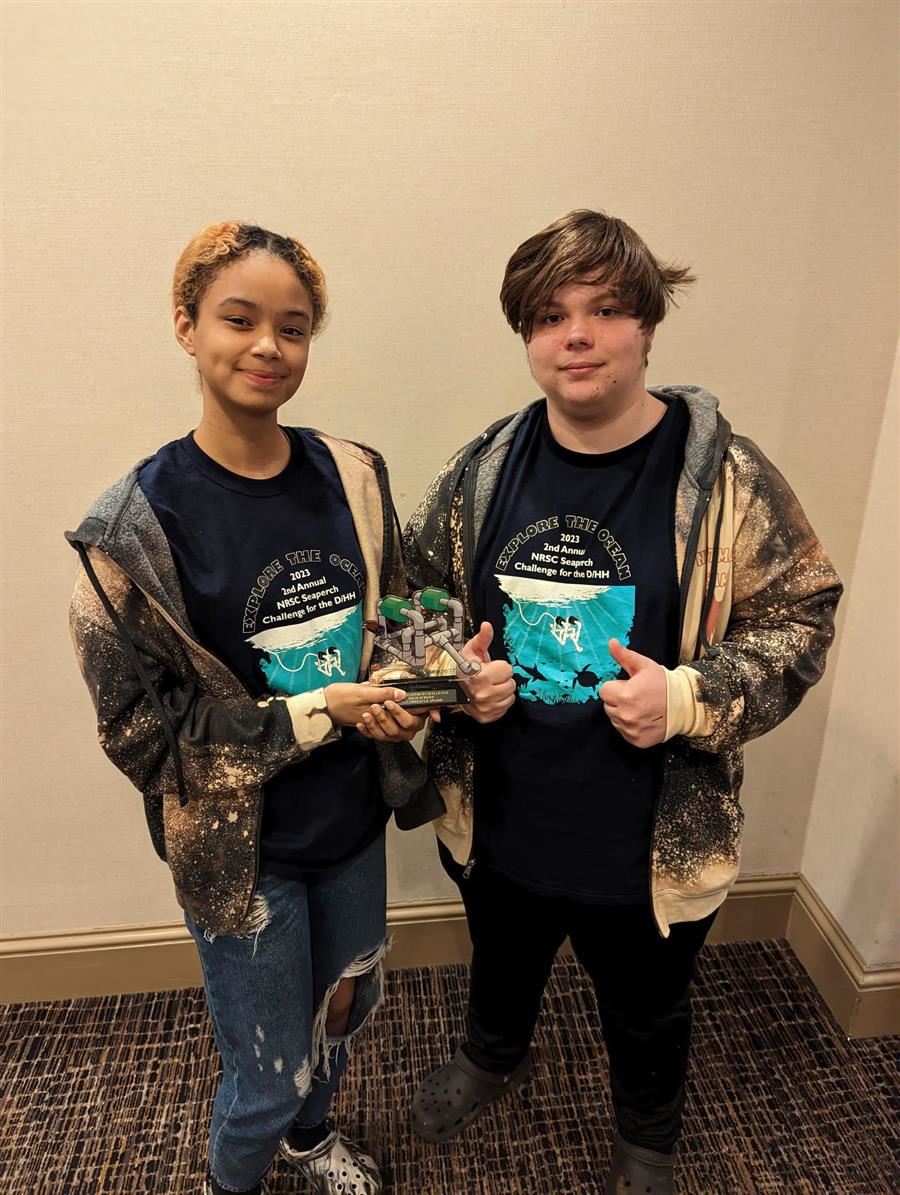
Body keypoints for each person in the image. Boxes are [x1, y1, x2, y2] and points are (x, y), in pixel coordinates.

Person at [403, 209, 842, 1194]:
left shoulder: (722, 477)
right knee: (502, 962)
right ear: (526, 334)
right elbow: (414, 598)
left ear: (647, 324)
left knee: (648, 1003)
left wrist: (691, 697)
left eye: (604, 309)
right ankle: (492, 1052)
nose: (577, 335)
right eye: (551, 315)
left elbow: (802, 611)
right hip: (503, 815)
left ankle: (648, 1130)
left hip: (652, 836)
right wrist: (448, 680)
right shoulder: (484, 468)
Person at [66, 222, 441, 1195]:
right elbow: (148, 742)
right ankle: (239, 1176)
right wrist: (322, 713)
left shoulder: (354, 475)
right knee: (265, 1073)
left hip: (353, 826)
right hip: (243, 857)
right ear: (187, 325)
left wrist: (416, 695)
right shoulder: (127, 536)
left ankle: (314, 1145)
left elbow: (396, 627)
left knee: (343, 1011)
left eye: (294, 326)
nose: (268, 345)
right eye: (240, 318)